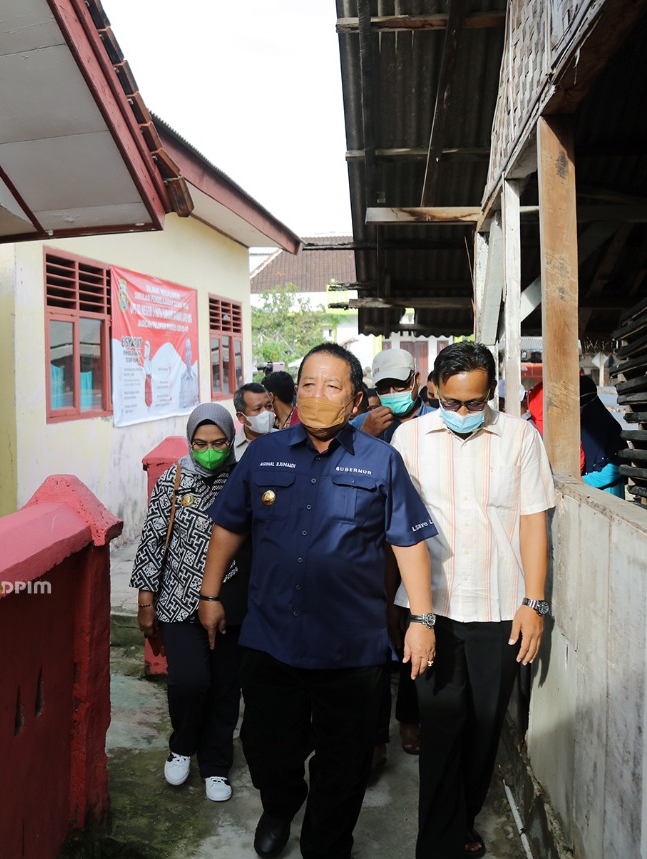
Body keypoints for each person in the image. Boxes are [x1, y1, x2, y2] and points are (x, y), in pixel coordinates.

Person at [200, 343, 439, 859]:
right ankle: (280, 804)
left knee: (345, 763)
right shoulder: (262, 455)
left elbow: (408, 542)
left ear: (355, 400)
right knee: (266, 750)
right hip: (270, 640)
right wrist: (210, 592)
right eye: (308, 383)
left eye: (333, 386)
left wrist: (421, 618)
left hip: (351, 651)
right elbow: (228, 526)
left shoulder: (382, 461)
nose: (317, 395)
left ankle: (325, 843)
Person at [391, 342, 555, 859]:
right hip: (430, 607)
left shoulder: (519, 439)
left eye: (475, 403)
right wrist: (412, 613)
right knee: (440, 726)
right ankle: (436, 844)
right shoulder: (409, 438)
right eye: (454, 402)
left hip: (498, 608)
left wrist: (535, 601)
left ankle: (461, 820)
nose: (464, 413)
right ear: (435, 389)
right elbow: (398, 526)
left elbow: (532, 521)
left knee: (483, 728)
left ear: (490, 394)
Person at [130, 402, 246, 803]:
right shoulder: (174, 478)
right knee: (189, 682)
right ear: (190, 441)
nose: (209, 451)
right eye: (200, 443)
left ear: (231, 441)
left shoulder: (243, 479)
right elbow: (151, 540)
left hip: (230, 603)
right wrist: (146, 600)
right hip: (178, 599)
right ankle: (181, 745)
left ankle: (215, 765)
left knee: (225, 688)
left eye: (218, 443)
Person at [351, 348, 437, 763]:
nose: (392, 394)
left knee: (416, 632)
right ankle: (373, 736)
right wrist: (364, 433)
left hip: (422, 545)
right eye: (383, 388)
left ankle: (410, 718)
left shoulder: (438, 420)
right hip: (374, 552)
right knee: (379, 640)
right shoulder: (362, 426)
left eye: (399, 386)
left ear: (416, 380)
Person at [525, 376, 628, 497]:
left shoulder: (608, 426)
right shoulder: (577, 426)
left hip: (608, 496)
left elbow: (618, 466)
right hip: (584, 495)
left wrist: (584, 480)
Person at [234, 382, 277, 457]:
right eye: (258, 408)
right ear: (241, 417)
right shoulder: (232, 450)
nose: (266, 413)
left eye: (269, 406)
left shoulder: (284, 440)